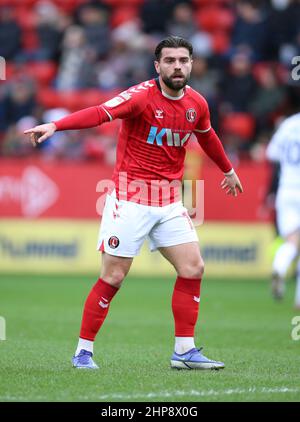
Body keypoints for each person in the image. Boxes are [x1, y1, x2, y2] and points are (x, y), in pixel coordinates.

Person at [24, 36, 243, 370]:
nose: (177, 66)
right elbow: (100, 113)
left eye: (183, 60)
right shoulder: (141, 96)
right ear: (158, 66)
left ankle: (184, 351)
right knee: (113, 276)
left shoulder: (197, 103)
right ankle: (83, 351)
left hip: (169, 199)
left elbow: (207, 135)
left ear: (192, 64)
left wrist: (227, 170)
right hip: (131, 197)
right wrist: (56, 125)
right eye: (170, 61)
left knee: (193, 267)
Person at [266, 113, 300, 309]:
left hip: (286, 189)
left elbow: (271, 154)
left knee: (292, 242)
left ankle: (279, 266)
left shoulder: (288, 124)